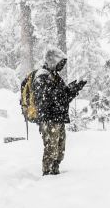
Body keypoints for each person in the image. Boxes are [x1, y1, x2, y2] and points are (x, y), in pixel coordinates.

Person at [33, 47, 86, 176]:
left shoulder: (55, 77)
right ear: (52, 61)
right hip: (49, 118)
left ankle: (55, 171)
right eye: (60, 62)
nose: (61, 66)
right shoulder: (42, 76)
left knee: (60, 149)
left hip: (57, 118)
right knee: (51, 148)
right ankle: (47, 174)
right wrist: (67, 91)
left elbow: (62, 98)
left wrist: (73, 89)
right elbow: (49, 97)